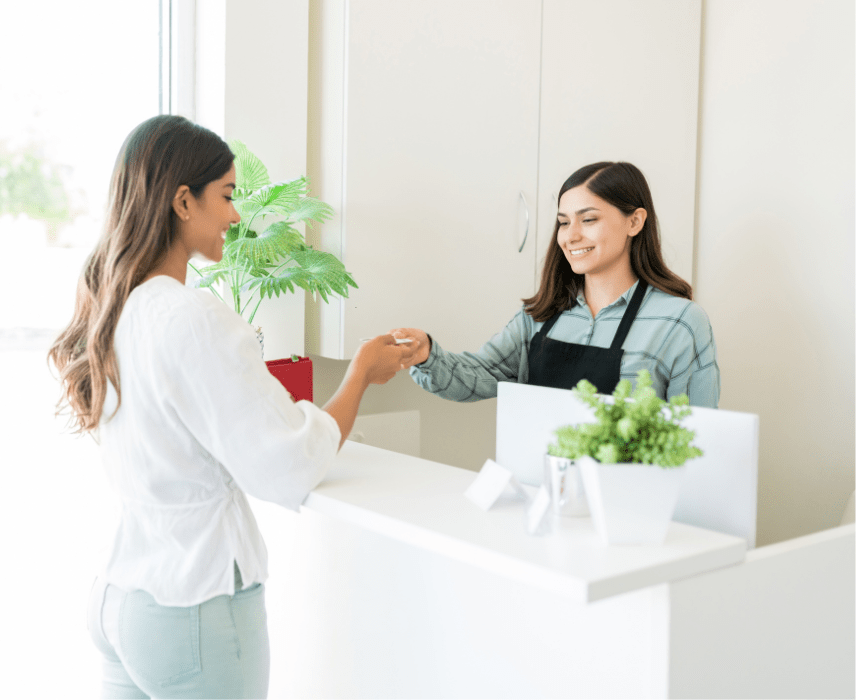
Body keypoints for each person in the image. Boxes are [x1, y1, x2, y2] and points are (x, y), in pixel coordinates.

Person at [47, 115, 418, 699]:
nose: (237, 215)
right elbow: (289, 464)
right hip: (195, 610)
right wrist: (360, 377)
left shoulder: (113, 308)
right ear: (182, 201)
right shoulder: (191, 315)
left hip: (123, 599)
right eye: (227, 195)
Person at [391, 161, 719, 408]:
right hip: (538, 489)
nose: (570, 235)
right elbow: (478, 376)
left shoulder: (680, 323)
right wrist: (426, 354)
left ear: (634, 221)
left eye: (588, 219)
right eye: (563, 222)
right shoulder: (540, 316)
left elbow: (695, 435)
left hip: (623, 496)